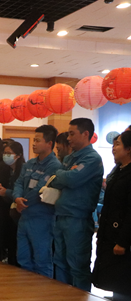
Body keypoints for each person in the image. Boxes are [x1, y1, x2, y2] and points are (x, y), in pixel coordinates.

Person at [49, 118, 104, 291]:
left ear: (85, 134)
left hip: (78, 218)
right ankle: (63, 298)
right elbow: (54, 180)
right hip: (61, 214)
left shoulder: (92, 158)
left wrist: (62, 175)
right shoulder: (70, 157)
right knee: (60, 262)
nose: (68, 138)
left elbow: (71, 180)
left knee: (77, 266)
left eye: (72, 134)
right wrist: (63, 175)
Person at [13, 125, 61, 278]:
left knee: (42, 260)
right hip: (24, 216)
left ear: (49, 143)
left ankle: (43, 291)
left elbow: (40, 189)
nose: (34, 144)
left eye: (38, 141)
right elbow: (19, 183)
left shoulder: (54, 165)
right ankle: (25, 288)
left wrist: (23, 202)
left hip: (41, 218)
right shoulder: (29, 164)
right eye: (34, 140)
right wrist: (17, 198)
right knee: (23, 258)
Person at [92, 131, 131, 301]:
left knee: (123, 276)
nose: (113, 148)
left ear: (129, 149)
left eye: (118, 144)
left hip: (122, 234)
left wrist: (123, 241)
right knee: (113, 274)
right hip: (110, 231)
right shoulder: (118, 170)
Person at [0, 139, 25, 265]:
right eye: (5, 153)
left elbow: (21, 192)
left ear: (18, 155)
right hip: (7, 209)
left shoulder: (23, 170)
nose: (5, 156)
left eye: (9, 153)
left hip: (18, 211)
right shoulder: (6, 170)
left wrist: (6, 192)